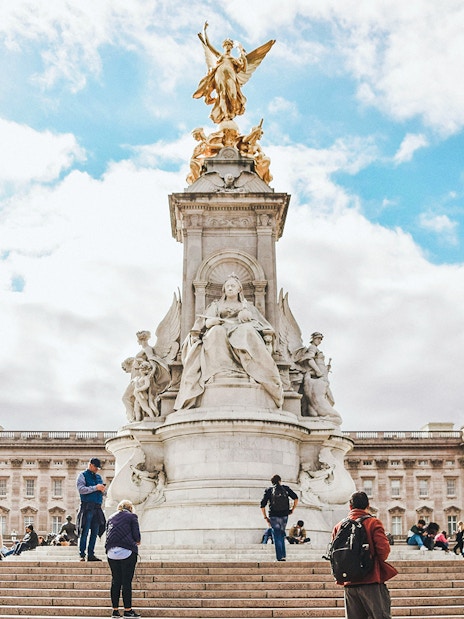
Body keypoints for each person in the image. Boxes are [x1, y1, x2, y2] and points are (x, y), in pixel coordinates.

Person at [174, 275, 283, 410]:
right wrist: (212, 322)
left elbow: (261, 324)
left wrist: (248, 320)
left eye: (233, 286)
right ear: (224, 290)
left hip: (241, 330)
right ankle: (221, 371)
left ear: (239, 289)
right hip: (221, 331)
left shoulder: (247, 306)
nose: (230, 288)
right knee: (216, 332)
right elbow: (205, 322)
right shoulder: (216, 305)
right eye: (227, 286)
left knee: (247, 331)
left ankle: (249, 370)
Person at [332, 491, 398, 619]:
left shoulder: (338, 526)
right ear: (368, 505)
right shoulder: (373, 523)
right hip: (370, 579)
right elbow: (383, 550)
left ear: (350, 507)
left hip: (349, 582)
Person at [193, 22, 274, 125]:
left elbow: (244, 68)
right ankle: (226, 115)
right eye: (226, 45)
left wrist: (241, 51)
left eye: (229, 45)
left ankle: (231, 112)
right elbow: (208, 45)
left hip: (231, 77)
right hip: (219, 77)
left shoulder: (234, 60)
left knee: (232, 95)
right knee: (222, 95)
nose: (227, 46)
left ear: (231, 47)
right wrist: (204, 30)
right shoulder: (220, 56)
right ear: (223, 46)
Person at [105, 499, 141, 618]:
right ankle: (128, 610)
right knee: (126, 582)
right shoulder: (132, 517)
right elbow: (137, 537)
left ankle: (115, 611)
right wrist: (136, 542)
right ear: (130, 508)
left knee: (115, 581)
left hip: (111, 552)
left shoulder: (111, 517)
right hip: (126, 551)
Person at [260, 474, 298, 562]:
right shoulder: (286, 488)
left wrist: (265, 517)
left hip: (273, 515)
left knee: (276, 535)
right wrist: (292, 509)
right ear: (280, 481)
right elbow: (296, 498)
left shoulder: (269, 490)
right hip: (284, 515)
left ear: (272, 482)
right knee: (281, 534)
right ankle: (283, 555)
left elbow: (262, 505)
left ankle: (280, 557)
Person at [76, 457, 106, 561]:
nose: (97, 469)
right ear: (90, 465)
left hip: (97, 507)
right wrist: (95, 488)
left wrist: (102, 490)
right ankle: (82, 554)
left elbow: (102, 492)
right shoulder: (82, 475)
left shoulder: (99, 477)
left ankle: (91, 554)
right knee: (85, 532)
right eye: (96, 467)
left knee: (95, 532)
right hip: (87, 507)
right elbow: (81, 489)